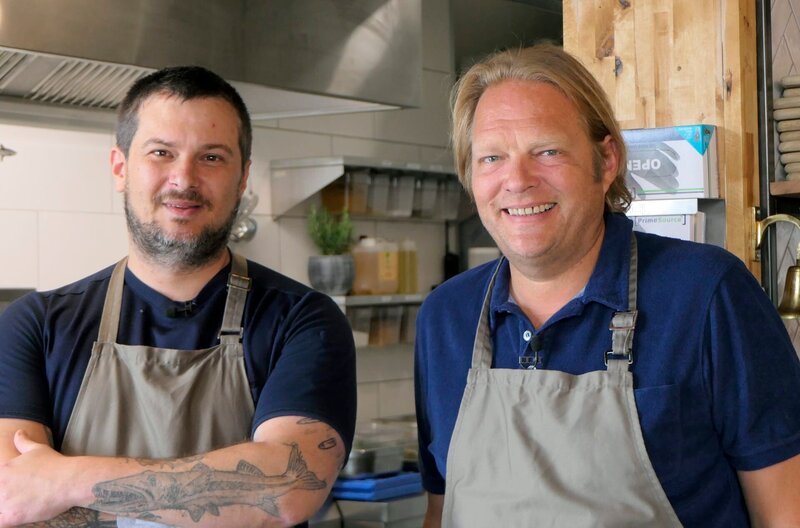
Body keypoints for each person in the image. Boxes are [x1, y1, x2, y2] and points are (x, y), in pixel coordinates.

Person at [414, 44, 800, 527]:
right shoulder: (446, 317)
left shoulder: (706, 294)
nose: (517, 180)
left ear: (606, 159)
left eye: (547, 151)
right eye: (492, 158)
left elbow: (787, 512)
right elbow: (441, 510)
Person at [0, 66, 356, 527]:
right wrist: (229, 488)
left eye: (211, 157)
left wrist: (65, 480)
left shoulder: (302, 320)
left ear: (242, 177)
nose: (183, 179)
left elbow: (286, 490)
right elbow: (13, 493)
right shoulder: (37, 323)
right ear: (120, 168)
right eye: (161, 153)